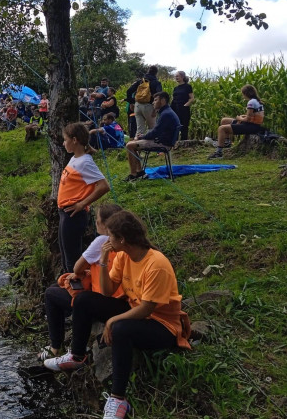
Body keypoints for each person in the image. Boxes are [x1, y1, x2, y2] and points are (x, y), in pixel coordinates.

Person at [43, 210, 191, 419]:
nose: (107, 240)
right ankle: (77, 356)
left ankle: (118, 399)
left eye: (110, 237)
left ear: (122, 239)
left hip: (161, 325)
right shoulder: (123, 256)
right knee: (84, 299)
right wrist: (103, 260)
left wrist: (113, 320)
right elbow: (107, 291)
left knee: (121, 329)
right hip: (135, 311)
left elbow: (148, 309)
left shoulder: (156, 264)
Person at [39, 204, 125, 361]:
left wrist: (81, 272)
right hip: (121, 299)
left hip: (102, 300)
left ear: (105, 225)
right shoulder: (125, 242)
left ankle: (56, 347)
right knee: (56, 288)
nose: (95, 222)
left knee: (51, 294)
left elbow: (77, 267)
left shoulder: (102, 241)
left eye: (98, 220)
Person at [57, 122, 111, 273]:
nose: (63, 142)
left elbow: (104, 186)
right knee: (65, 254)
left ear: (74, 140)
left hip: (73, 215)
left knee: (72, 258)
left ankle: (76, 290)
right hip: (64, 213)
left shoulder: (85, 162)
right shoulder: (75, 158)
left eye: (65, 139)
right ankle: (68, 286)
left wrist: (82, 204)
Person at [124, 92, 180, 181]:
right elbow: (156, 131)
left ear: (162, 101)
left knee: (129, 145)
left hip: (162, 144)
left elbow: (155, 133)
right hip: (162, 141)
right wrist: (143, 136)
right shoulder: (166, 112)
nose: (153, 102)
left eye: (155, 100)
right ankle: (139, 171)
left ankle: (134, 174)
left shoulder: (166, 114)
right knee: (132, 144)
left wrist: (141, 137)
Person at [208, 84, 264, 159]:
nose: (243, 96)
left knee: (221, 128)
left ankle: (219, 152)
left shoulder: (251, 102)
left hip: (251, 126)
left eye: (243, 94)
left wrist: (239, 118)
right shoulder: (256, 101)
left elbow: (248, 119)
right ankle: (227, 142)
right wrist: (242, 117)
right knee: (224, 120)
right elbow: (253, 116)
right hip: (253, 124)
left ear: (246, 94)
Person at [127, 66, 163, 139]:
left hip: (137, 106)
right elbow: (159, 95)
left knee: (139, 130)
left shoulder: (140, 81)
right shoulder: (156, 82)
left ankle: (135, 148)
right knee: (152, 128)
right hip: (149, 106)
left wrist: (131, 102)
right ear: (156, 73)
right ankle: (150, 147)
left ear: (148, 71)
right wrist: (156, 109)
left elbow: (129, 91)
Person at [171, 71, 195, 140]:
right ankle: (174, 142)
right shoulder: (176, 88)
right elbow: (174, 99)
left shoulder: (187, 86)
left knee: (184, 126)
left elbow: (192, 98)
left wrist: (185, 105)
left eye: (177, 76)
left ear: (182, 77)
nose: (176, 78)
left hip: (184, 109)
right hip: (175, 108)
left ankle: (183, 142)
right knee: (175, 126)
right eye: (175, 76)